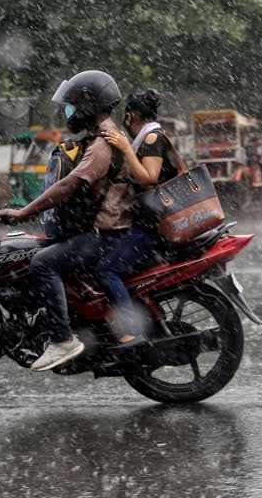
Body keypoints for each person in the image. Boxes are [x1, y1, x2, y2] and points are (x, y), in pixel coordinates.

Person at [0, 70, 133, 371]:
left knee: (43, 262)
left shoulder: (102, 144)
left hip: (105, 235)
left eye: (71, 104)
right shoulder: (102, 136)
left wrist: (24, 211)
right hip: (102, 231)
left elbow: (69, 184)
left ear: (88, 104)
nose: (67, 111)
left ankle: (63, 339)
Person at [96, 89, 176, 347]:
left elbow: (150, 177)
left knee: (107, 270)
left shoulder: (151, 137)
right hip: (154, 221)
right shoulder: (150, 136)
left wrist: (124, 147)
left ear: (130, 117)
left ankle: (131, 330)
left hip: (153, 225)